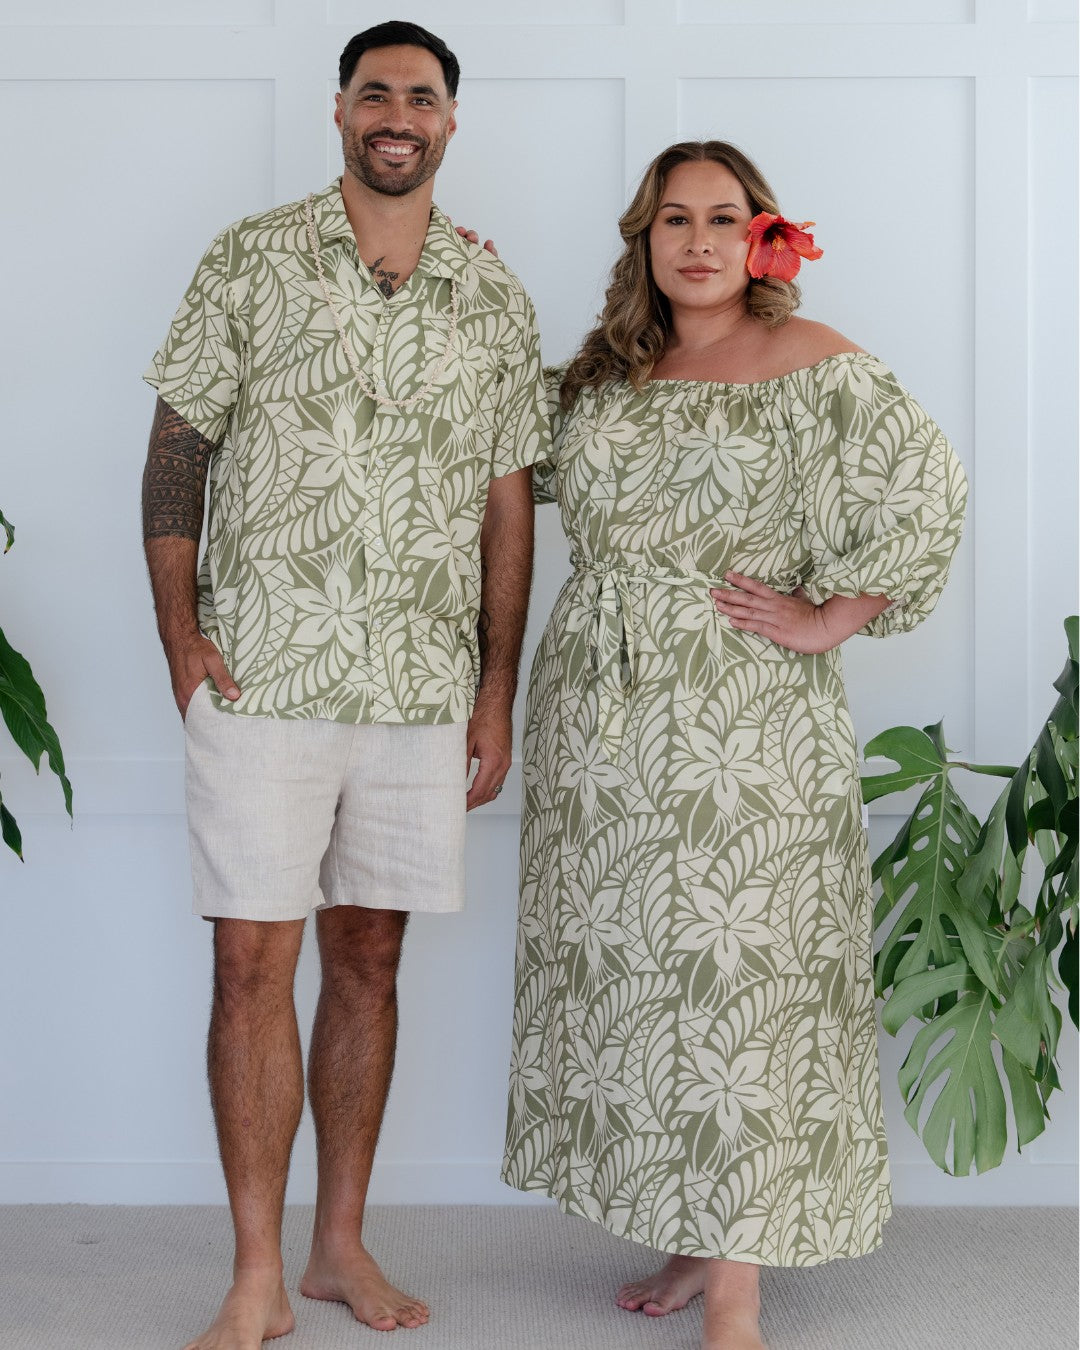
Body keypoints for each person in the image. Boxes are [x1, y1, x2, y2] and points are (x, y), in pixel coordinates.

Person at [502, 140, 967, 1350]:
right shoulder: (605, 374)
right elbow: (491, 453)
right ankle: (692, 1234)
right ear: (644, 239)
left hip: (744, 719)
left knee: (744, 984)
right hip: (598, 722)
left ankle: (739, 1291)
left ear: (762, 237)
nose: (698, 241)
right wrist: (471, 297)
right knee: (648, 985)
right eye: (674, 220)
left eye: (723, 218)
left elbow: (927, 489)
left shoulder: (811, 360)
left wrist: (830, 617)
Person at [141, 21, 547, 1350]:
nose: (397, 115)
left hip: (419, 689)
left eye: (421, 96)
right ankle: (255, 1270)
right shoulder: (249, 257)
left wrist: (495, 689)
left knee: (370, 960)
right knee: (249, 963)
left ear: (449, 122)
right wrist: (179, 638)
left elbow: (507, 505)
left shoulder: (492, 296)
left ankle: (337, 1244)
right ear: (338, 112)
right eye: (375, 92)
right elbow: (177, 450)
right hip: (262, 672)